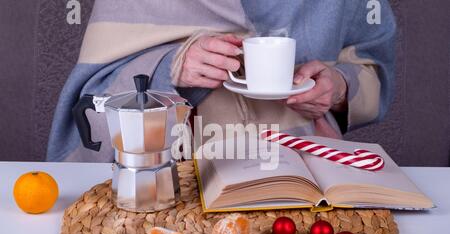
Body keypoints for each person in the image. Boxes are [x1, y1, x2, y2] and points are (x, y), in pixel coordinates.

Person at [47, 0, 396, 162]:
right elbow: (93, 95)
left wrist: (338, 86)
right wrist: (172, 68)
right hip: (173, 175)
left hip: (303, 175)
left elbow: (372, 66)